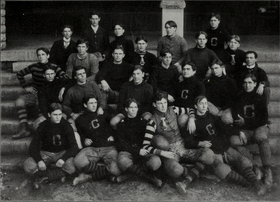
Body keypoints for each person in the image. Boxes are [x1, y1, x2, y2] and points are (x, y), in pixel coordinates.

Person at [183, 95, 268, 195]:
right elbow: (188, 142)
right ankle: (248, 185)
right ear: (195, 106)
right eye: (201, 103)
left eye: (205, 103)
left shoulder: (211, 116)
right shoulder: (192, 123)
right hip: (212, 151)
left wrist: (238, 132)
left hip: (223, 146)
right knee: (222, 170)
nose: (204, 106)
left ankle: (257, 185)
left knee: (243, 161)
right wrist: (199, 143)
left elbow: (224, 127)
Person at [141, 91, 215, 194]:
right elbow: (145, 146)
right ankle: (191, 172)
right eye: (160, 103)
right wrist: (163, 153)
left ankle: (187, 177)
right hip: (170, 152)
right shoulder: (152, 122)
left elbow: (191, 110)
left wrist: (191, 119)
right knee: (176, 170)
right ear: (154, 104)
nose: (163, 106)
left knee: (209, 155)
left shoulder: (173, 110)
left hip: (183, 146)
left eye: (165, 103)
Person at [230, 74, 273, 193]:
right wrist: (240, 131)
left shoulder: (260, 96)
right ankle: (255, 166)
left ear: (255, 84)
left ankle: (267, 170)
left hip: (259, 127)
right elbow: (235, 118)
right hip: (246, 130)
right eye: (245, 82)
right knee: (234, 140)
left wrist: (246, 122)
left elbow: (263, 119)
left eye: (250, 82)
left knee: (261, 137)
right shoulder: (239, 97)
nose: (247, 85)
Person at [13, 47, 67, 140]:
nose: (41, 57)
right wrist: (26, 87)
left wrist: (62, 87)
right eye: (39, 55)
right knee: (19, 102)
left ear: (48, 56)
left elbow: (65, 77)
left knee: (42, 109)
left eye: (43, 54)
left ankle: (42, 130)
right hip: (35, 92)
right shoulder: (34, 67)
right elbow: (20, 74)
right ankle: (24, 128)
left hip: (48, 94)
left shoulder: (53, 67)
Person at [23, 103, 79, 189]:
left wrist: (63, 159)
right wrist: (39, 161)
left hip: (61, 153)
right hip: (46, 153)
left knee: (72, 166)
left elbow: (74, 147)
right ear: (49, 115)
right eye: (55, 115)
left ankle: (46, 177)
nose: (58, 117)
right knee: (28, 165)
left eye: (60, 114)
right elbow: (33, 146)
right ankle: (58, 174)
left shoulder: (66, 126)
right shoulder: (43, 126)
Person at [72, 95, 122, 186]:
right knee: (78, 161)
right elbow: (81, 134)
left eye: (95, 102)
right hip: (92, 149)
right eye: (91, 103)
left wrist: (113, 136)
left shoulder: (104, 114)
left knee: (117, 169)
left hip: (108, 147)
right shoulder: (80, 119)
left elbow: (115, 127)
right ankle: (106, 172)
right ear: (85, 105)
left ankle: (88, 176)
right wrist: (84, 139)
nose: (94, 105)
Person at [115, 98, 163, 187]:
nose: (134, 110)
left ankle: (129, 175)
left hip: (144, 151)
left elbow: (150, 139)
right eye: (131, 107)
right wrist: (137, 150)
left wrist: (143, 150)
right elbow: (121, 144)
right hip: (129, 151)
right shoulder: (121, 124)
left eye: (135, 107)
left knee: (156, 162)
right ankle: (150, 178)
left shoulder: (144, 122)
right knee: (122, 160)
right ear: (126, 109)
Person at [62, 66, 106, 132]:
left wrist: (101, 107)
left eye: (84, 73)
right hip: (80, 115)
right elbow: (65, 105)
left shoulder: (92, 85)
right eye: (80, 74)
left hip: (94, 113)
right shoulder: (72, 90)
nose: (83, 76)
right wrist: (72, 114)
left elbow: (101, 98)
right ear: (75, 77)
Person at [204, 60, 237, 124]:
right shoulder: (208, 81)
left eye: (216, 68)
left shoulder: (230, 81)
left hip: (226, 108)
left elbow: (233, 98)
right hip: (213, 107)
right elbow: (206, 96)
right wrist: (214, 109)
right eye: (212, 69)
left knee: (227, 119)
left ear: (222, 68)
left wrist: (222, 110)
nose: (214, 70)